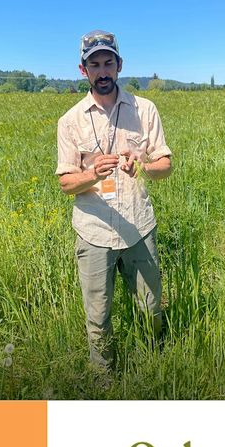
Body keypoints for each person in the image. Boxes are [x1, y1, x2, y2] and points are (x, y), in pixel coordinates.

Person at [56, 30, 173, 377]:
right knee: (98, 315)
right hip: (94, 232)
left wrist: (144, 167)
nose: (102, 71)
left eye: (108, 62)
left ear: (119, 65)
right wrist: (92, 174)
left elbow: (165, 165)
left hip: (139, 228)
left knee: (151, 307)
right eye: (95, 64)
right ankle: (104, 378)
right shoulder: (70, 121)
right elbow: (65, 183)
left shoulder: (145, 109)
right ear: (83, 70)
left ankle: (155, 364)